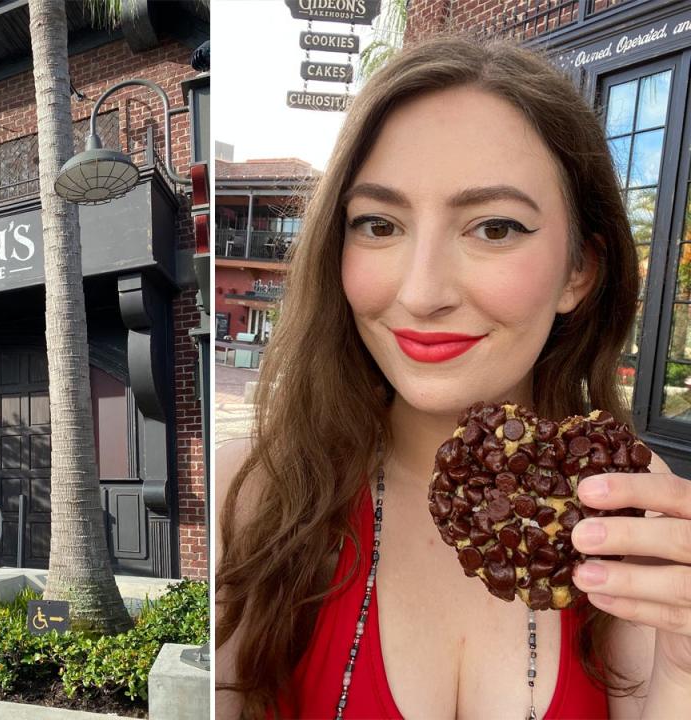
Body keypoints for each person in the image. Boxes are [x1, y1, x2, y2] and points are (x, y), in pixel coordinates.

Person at [215, 32, 691, 719]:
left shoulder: (636, 516)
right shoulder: (256, 496)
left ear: (579, 270)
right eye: (378, 223)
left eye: (495, 228)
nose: (422, 291)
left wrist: (681, 675)